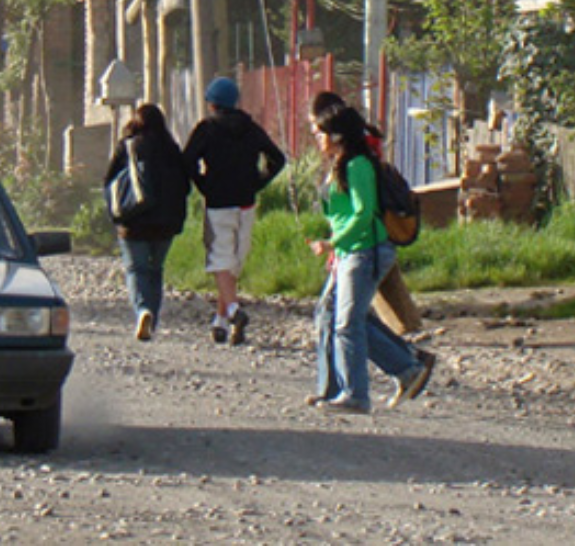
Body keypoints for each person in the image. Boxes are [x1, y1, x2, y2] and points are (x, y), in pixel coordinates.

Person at [307, 92, 437, 408]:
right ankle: (393, 372)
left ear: (336, 135)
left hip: (365, 252)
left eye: (321, 132)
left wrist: (333, 243)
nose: (317, 138)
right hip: (352, 251)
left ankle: (357, 393)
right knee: (332, 316)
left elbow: (364, 213)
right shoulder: (340, 164)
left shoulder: (358, 165)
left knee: (347, 322)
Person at [183, 75, 286, 345]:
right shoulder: (251, 128)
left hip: (218, 203)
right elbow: (278, 159)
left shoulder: (206, 129)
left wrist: (203, 184)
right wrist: (258, 182)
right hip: (246, 203)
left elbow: (187, 161)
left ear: (212, 104)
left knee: (220, 260)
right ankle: (220, 323)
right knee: (233, 264)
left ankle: (233, 311)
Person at [103, 102, 190, 342]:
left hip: (133, 222)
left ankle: (143, 311)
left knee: (136, 269)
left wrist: (114, 214)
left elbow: (109, 182)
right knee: (155, 270)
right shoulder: (171, 148)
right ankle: (153, 317)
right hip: (166, 224)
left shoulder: (128, 147)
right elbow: (185, 186)